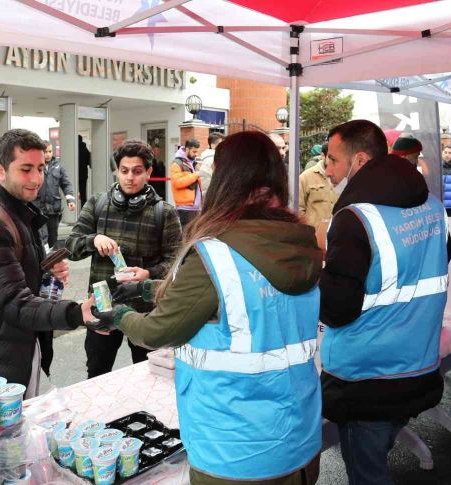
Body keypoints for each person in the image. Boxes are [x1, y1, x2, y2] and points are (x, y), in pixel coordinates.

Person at [86, 131, 323, 485]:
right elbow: (229, 297)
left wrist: (119, 315)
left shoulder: (218, 251)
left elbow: (157, 331)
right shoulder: (301, 244)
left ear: (226, 180)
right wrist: (148, 288)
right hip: (299, 438)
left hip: (235, 449)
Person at [320, 120, 450, 485]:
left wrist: (319, 273)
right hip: (417, 365)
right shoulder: (432, 205)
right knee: (375, 459)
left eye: (333, 159)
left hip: (366, 378)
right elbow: (439, 262)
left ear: (359, 161)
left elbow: (337, 308)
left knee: (367, 473)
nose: (328, 169)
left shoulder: (355, 218)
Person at [0, 129, 89, 396]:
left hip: (23, 344)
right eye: (26, 169)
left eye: (41, 168)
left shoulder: (21, 212)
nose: (37, 178)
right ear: (0, 171)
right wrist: (77, 313)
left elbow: (16, 277)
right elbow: (13, 302)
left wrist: (44, 271)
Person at [66, 139, 182, 378]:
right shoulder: (97, 204)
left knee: (150, 376)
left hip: (145, 314)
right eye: (124, 171)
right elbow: (71, 247)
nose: (130, 177)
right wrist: (93, 239)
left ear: (149, 172)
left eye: (137, 171)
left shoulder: (165, 212)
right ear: (116, 171)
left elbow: (176, 262)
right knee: (97, 374)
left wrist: (148, 274)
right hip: (101, 306)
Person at [37, 142, 76, 249]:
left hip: (54, 209)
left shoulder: (58, 166)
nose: (48, 154)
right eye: (45, 152)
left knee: (53, 237)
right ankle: (43, 260)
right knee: (42, 236)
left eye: (50, 151)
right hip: (39, 208)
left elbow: (66, 184)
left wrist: (70, 200)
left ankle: (53, 261)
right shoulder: (36, 166)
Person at [298, 145, 337, 229]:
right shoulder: (306, 177)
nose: (334, 161)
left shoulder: (344, 175)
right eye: (331, 158)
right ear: (323, 156)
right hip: (313, 234)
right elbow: (299, 207)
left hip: (336, 234)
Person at [170, 138, 201, 226]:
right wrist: (196, 175)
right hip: (185, 208)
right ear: (187, 149)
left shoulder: (194, 163)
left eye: (197, 152)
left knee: (193, 237)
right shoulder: (176, 163)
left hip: (196, 208)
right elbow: (177, 183)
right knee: (186, 237)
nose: (196, 154)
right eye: (194, 152)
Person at [198, 132, 224, 199]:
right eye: (221, 144)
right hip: (211, 197)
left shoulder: (207, 157)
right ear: (212, 145)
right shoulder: (211, 159)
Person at [78, 134, 92, 205]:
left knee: (73, 193)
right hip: (83, 176)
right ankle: (83, 209)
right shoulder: (85, 150)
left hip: (75, 175)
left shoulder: (74, 150)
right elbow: (90, 164)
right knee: (83, 195)